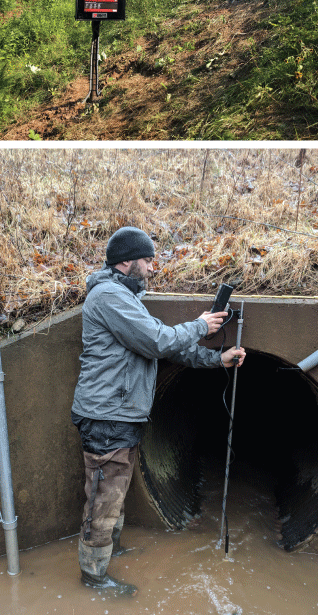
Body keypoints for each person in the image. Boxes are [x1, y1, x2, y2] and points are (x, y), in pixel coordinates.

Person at [71, 226, 245, 596]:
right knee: (104, 497)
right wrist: (200, 325)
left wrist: (218, 360)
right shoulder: (108, 297)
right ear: (126, 260)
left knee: (113, 493)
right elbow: (156, 341)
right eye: (148, 260)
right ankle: (94, 577)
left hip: (122, 414)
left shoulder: (127, 299)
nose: (152, 268)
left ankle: (109, 553)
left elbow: (169, 348)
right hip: (106, 416)